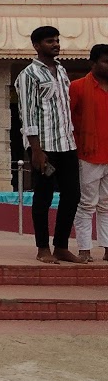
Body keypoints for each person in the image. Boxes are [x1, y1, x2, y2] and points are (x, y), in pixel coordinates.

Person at [15, 25, 82, 263]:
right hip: (44, 147)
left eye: (56, 40)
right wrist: (36, 150)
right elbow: (28, 114)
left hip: (67, 143)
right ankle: (42, 248)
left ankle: (61, 246)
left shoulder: (62, 71)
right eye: (49, 41)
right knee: (42, 197)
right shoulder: (28, 75)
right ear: (36, 46)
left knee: (73, 195)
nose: (55, 44)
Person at [68, 44, 108, 262]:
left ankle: (107, 247)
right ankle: (84, 249)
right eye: (106, 61)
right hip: (87, 154)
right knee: (86, 203)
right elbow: (68, 122)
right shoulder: (78, 87)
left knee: (107, 204)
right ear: (93, 63)